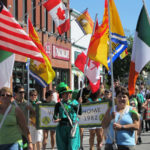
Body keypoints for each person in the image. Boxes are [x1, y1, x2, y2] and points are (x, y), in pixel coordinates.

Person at [53, 82, 82, 150]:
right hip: (62, 129)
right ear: (61, 95)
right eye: (65, 93)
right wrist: (57, 118)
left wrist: (79, 104)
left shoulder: (75, 102)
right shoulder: (58, 105)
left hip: (73, 128)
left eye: (69, 93)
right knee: (63, 148)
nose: (68, 95)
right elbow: (55, 116)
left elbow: (80, 112)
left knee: (72, 147)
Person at [14, 85, 34, 150]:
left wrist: (31, 110)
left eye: (23, 92)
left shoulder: (27, 103)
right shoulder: (12, 104)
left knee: (25, 148)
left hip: (25, 134)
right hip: (14, 134)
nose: (22, 94)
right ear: (16, 93)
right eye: (20, 92)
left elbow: (35, 116)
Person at [77, 79, 91, 150]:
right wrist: (80, 101)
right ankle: (81, 145)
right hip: (82, 112)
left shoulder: (94, 91)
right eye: (91, 84)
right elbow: (76, 101)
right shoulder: (81, 91)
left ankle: (91, 146)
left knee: (91, 131)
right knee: (81, 129)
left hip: (91, 112)